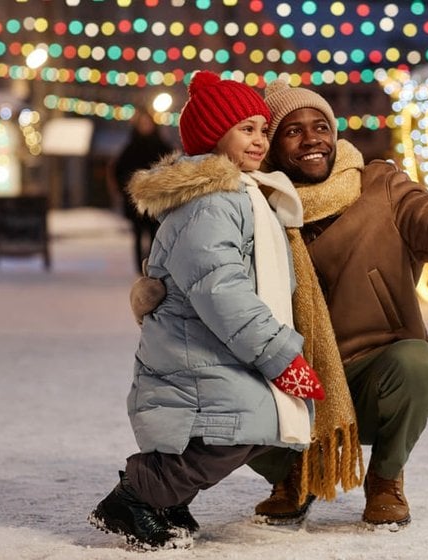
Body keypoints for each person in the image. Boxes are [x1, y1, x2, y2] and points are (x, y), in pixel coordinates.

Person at [131, 77, 428, 529]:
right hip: (284, 368)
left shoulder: (380, 186)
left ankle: (384, 479)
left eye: (320, 126)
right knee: (232, 395)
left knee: (416, 364)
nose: (311, 140)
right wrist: (159, 288)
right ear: (274, 146)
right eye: (291, 130)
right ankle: (291, 477)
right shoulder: (254, 199)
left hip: (368, 366)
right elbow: (207, 265)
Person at [88, 71, 326, 551]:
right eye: (246, 129)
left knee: (258, 424)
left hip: (216, 345)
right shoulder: (213, 202)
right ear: (214, 137)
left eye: (262, 129)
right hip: (198, 346)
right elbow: (222, 290)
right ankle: (134, 497)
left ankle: (165, 499)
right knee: (235, 429)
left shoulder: (241, 192)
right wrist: (282, 357)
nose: (260, 140)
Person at [111, 107, 174, 272]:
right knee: (138, 234)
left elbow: (173, 169)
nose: (145, 126)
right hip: (137, 201)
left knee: (156, 235)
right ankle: (140, 268)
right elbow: (119, 171)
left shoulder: (162, 146)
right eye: (142, 123)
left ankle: (153, 267)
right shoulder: (130, 148)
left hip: (157, 200)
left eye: (147, 123)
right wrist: (128, 190)